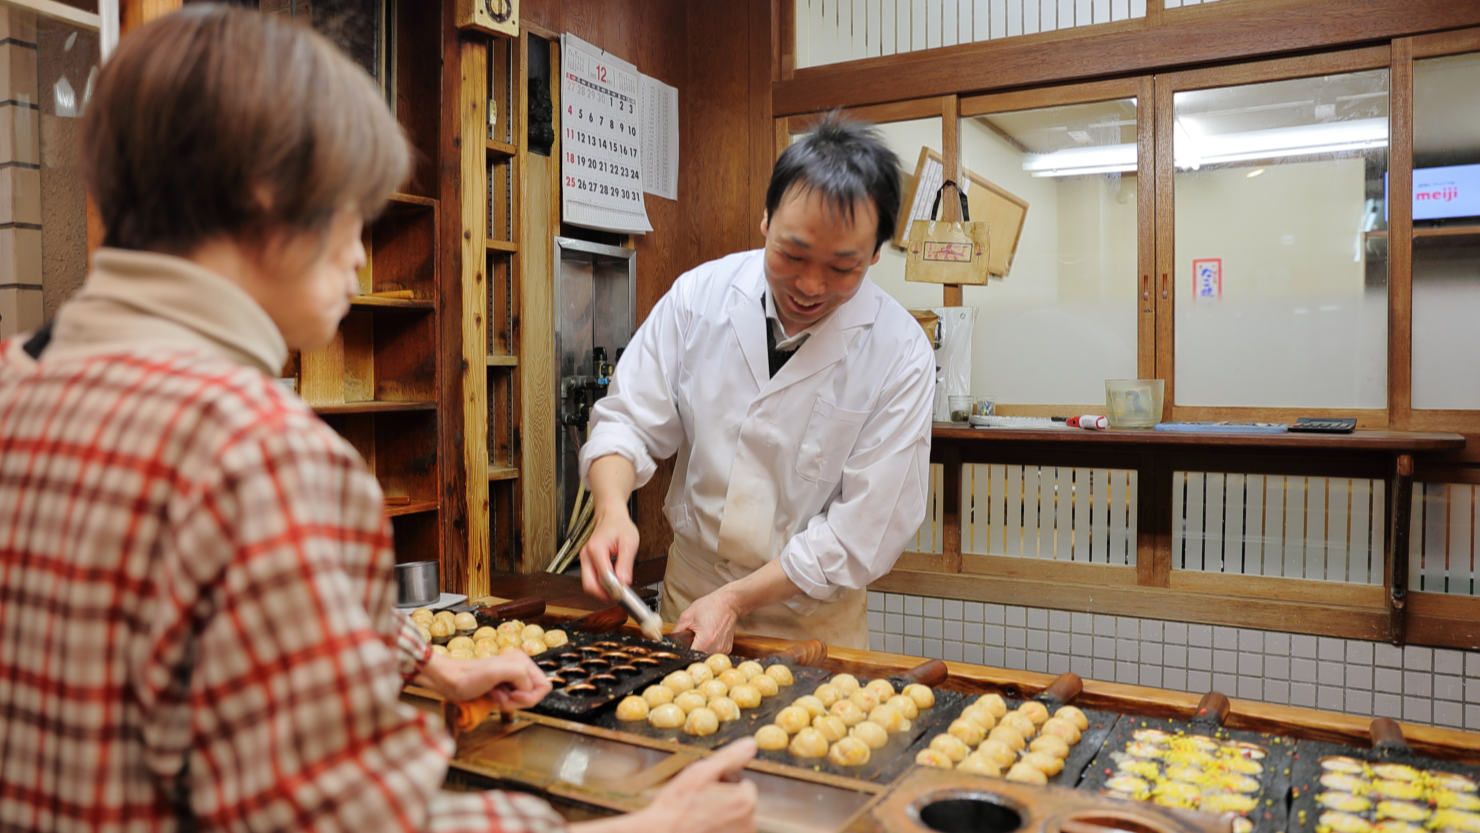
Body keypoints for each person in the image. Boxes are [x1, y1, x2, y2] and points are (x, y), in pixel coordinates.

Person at [0, 8, 755, 832]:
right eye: (349, 213)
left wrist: (430, 664)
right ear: (266, 191)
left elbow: (212, 636)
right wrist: (648, 828)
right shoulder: (265, 460)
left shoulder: (19, 379)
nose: (360, 255)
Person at [579, 115, 935, 653]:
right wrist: (610, 511)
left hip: (812, 621)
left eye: (843, 268)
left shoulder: (899, 352)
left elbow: (862, 533)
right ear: (765, 219)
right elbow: (628, 420)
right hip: (689, 594)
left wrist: (737, 600)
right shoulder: (699, 297)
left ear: (876, 254)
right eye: (792, 255)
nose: (810, 286)